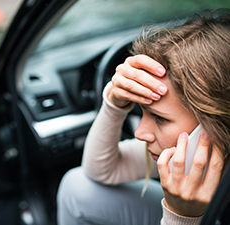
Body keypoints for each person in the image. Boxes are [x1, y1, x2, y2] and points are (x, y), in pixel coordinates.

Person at [57, 9, 230, 225]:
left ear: (217, 125)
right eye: (142, 112)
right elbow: (102, 171)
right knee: (77, 187)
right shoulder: (183, 151)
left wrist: (182, 218)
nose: (140, 133)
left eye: (160, 119)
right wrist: (114, 103)